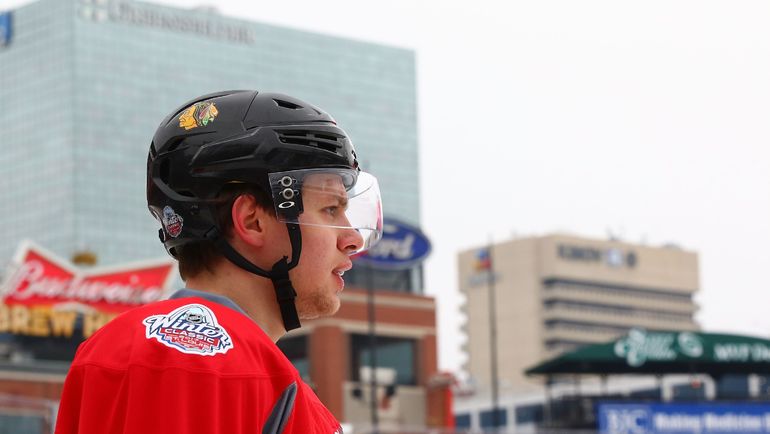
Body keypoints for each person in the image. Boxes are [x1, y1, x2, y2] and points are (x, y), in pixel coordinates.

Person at [54, 90, 383, 434]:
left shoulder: (105, 351)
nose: (353, 239)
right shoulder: (212, 365)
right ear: (252, 221)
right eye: (330, 209)